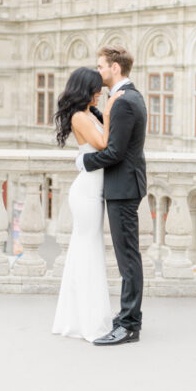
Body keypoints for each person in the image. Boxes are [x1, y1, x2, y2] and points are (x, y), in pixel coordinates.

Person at [76, 45, 147, 346]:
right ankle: (127, 317)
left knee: (128, 258)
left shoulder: (123, 102)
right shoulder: (127, 97)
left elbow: (115, 151)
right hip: (125, 186)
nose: (98, 71)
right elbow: (116, 135)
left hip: (123, 188)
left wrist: (84, 162)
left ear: (115, 68)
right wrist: (97, 111)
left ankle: (129, 325)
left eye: (102, 66)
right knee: (126, 256)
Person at [51, 67, 125, 342]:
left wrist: (103, 113)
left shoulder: (86, 115)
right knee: (87, 250)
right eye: (96, 89)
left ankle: (80, 317)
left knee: (87, 251)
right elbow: (105, 143)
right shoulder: (80, 117)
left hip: (93, 190)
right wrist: (109, 111)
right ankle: (86, 320)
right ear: (86, 89)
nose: (99, 92)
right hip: (86, 193)